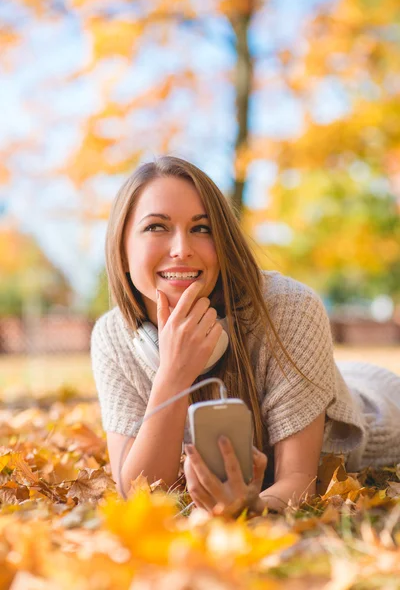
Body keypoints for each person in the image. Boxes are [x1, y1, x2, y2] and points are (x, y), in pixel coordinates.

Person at [91, 155, 400, 515]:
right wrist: (173, 373)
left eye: (202, 228)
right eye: (156, 227)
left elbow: (299, 481)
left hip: (383, 405)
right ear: (122, 249)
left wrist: (248, 510)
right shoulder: (113, 336)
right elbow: (138, 494)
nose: (181, 249)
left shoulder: (290, 309)